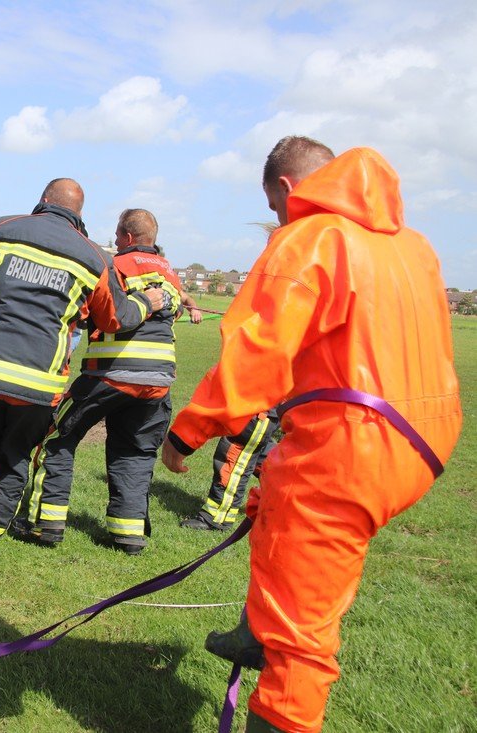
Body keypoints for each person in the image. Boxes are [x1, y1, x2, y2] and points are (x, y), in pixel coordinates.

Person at [161, 137, 461, 733]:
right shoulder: (415, 247)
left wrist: (187, 434)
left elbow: (255, 357)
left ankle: (278, 675)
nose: (278, 217)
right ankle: (253, 629)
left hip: (353, 446)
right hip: (424, 439)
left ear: (288, 189)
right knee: (273, 492)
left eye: (275, 205)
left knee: (301, 636)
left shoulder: (310, 238)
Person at [0, 178, 165, 585]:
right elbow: (117, 318)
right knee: (15, 460)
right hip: (40, 389)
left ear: (42, 201)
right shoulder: (94, 257)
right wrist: (147, 301)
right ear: (80, 214)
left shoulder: (3, 228)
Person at [12, 208, 185, 555]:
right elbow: (175, 314)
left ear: (127, 237)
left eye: (119, 235)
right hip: (158, 382)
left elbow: (96, 309)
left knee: (57, 438)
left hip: (110, 375)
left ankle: (47, 525)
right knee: (134, 453)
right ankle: (128, 535)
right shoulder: (172, 276)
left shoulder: (113, 265)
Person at [179, 408, 279, 531]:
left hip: (260, 407)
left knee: (236, 454)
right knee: (257, 448)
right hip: (256, 403)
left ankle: (217, 518)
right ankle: (293, 492)